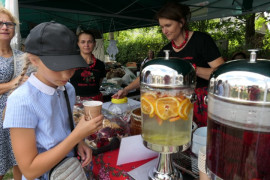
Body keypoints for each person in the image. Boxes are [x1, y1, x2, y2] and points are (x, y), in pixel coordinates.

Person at [3, 21, 103, 180]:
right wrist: (77, 136)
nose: (66, 75)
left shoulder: (67, 89)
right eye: (57, 67)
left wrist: (79, 143)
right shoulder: (21, 101)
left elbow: (64, 130)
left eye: (71, 66)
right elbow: (29, 170)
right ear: (34, 60)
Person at [115, 2, 224, 127]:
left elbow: (221, 73)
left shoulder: (201, 40)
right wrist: (126, 89)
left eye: (168, 25)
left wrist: (190, 68)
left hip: (202, 102)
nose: (164, 31)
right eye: (161, 27)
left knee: (200, 138)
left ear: (181, 22)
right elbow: (148, 74)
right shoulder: (166, 50)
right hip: (175, 103)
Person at [0, 7, 28, 180]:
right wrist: (14, 83)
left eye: (8, 24)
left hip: (18, 115)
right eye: (0, 23)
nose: (4, 27)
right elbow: (17, 83)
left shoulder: (21, 56)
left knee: (21, 160)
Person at [70, 30, 106, 102]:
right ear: (78, 44)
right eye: (83, 42)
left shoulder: (100, 64)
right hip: (75, 102)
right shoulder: (71, 63)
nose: (86, 45)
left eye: (89, 42)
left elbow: (98, 84)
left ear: (94, 43)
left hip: (95, 102)